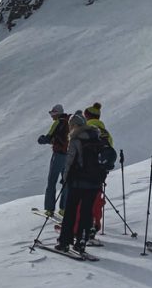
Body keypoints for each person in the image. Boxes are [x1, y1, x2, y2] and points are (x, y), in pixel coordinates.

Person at [56, 112, 105, 254]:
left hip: (78, 182)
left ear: (75, 125)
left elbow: (69, 161)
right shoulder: (96, 137)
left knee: (70, 211)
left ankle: (64, 242)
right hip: (94, 182)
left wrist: (65, 178)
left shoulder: (76, 139)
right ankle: (81, 241)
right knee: (86, 212)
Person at [83, 102, 113, 240]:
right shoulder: (106, 133)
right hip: (101, 172)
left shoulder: (86, 129)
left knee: (82, 199)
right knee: (96, 198)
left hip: (86, 171)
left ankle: (82, 227)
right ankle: (96, 223)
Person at [37, 104, 70, 216]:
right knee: (66, 182)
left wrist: (41, 139)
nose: (51, 116)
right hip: (69, 156)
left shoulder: (57, 123)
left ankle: (50, 209)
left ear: (57, 113)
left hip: (58, 155)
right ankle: (64, 209)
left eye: (52, 113)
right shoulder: (69, 122)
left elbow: (48, 138)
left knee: (52, 182)